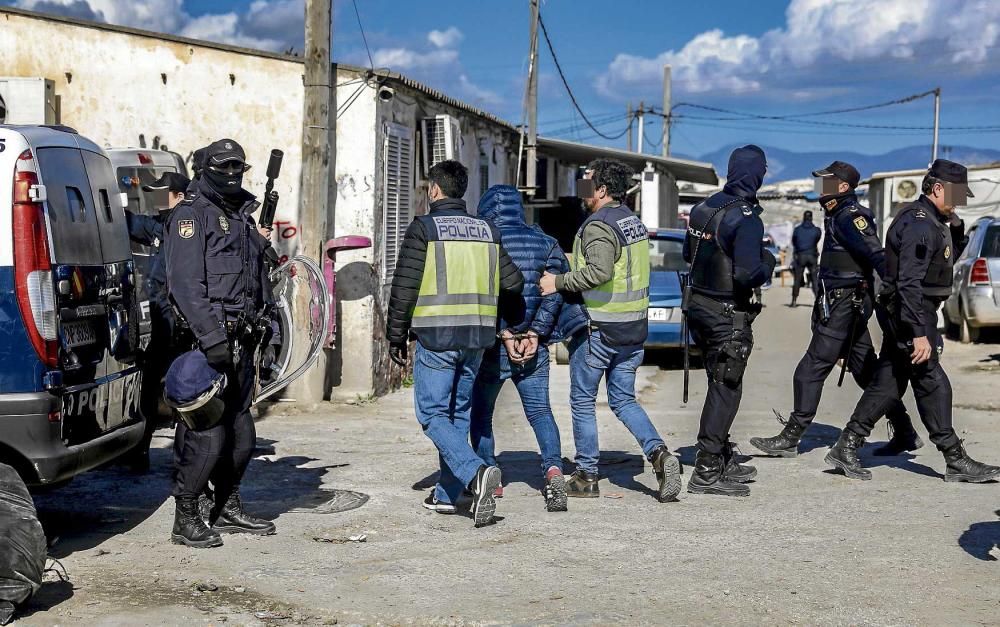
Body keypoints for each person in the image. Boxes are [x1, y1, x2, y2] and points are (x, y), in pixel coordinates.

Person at [825, 159, 1000, 483]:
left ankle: (846, 445)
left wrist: (957, 228)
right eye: (957, 195)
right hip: (909, 312)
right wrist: (920, 334)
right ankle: (954, 457)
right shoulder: (920, 224)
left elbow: (942, 263)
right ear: (937, 189)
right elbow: (908, 282)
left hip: (911, 311)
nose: (960, 201)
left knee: (889, 382)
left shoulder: (934, 221)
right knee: (933, 382)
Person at [750, 161, 921, 458]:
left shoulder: (851, 216)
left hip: (846, 304)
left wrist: (896, 291)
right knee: (868, 372)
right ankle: (905, 431)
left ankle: (792, 436)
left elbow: (876, 254)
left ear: (842, 187)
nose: (818, 185)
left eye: (825, 180)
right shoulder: (835, 214)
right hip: (842, 302)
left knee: (810, 369)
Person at [386, 160, 523, 527]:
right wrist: (508, 320)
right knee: (458, 415)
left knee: (432, 415)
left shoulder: (424, 228)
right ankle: (447, 496)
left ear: (434, 189)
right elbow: (514, 283)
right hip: (477, 338)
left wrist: (395, 335)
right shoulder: (486, 230)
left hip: (437, 336)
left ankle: (476, 474)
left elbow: (405, 287)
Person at [540, 159, 682, 503]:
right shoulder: (632, 222)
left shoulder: (599, 226)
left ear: (601, 190)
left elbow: (598, 272)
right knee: (623, 399)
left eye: (588, 184)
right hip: (633, 329)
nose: (583, 191)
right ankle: (660, 455)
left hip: (600, 329)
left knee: (582, 400)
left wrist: (556, 282)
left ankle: (587, 475)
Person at [164, 139, 277, 547]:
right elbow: (184, 286)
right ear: (206, 168)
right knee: (206, 435)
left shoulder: (240, 217)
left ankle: (226, 506)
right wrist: (212, 339)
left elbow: (254, 276)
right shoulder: (191, 217)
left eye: (238, 167)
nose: (232, 174)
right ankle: (186, 516)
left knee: (243, 433)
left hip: (243, 344)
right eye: (223, 166)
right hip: (207, 345)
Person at [469, 185, 588, 513]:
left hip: (492, 348)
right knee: (540, 412)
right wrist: (535, 333)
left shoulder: (484, 244)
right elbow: (554, 295)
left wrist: (505, 333)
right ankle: (553, 472)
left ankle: (488, 478)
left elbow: (483, 295)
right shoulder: (546, 242)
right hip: (534, 348)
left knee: (481, 414)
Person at [682, 145, 775, 497]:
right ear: (757, 174)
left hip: (699, 306)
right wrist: (768, 261)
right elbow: (749, 274)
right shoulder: (746, 217)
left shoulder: (703, 207)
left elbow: (690, 254)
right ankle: (706, 469)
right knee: (726, 389)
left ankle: (720, 454)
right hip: (726, 314)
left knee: (717, 381)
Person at [122, 172, 191, 473]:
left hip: (182, 320)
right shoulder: (164, 223)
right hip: (164, 318)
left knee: (186, 387)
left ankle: (186, 458)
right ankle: (139, 451)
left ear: (178, 195)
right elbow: (132, 224)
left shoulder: (190, 226)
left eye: (163, 193)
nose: (157, 198)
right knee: (151, 385)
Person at [790, 210, 821, 307]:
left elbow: (794, 241)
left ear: (803, 217)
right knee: (815, 279)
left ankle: (794, 301)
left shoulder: (797, 229)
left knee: (797, 279)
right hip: (812, 256)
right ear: (811, 218)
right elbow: (817, 239)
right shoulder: (816, 230)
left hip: (800, 256)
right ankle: (818, 300)